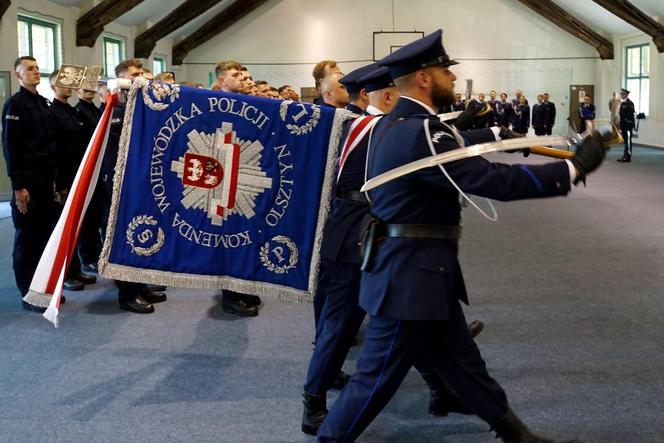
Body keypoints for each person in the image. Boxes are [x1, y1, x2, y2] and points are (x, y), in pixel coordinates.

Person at [317, 29, 606, 443]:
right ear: (423, 78)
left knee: (464, 367)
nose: (453, 80)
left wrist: (493, 136)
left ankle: (521, 438)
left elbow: (446, 145)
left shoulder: (394, 123)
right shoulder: (420, 132)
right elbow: (491, 180)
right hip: (407, 278)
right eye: (445, 72)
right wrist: (573, 170)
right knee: (373, 379)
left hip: (419, 270)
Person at [302, 63, 484, 437]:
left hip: (375, 236)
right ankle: (313, 403)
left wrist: (468, 123)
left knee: (406, 316)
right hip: (356, 238)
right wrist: (483, 129)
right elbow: (430, 141)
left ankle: (441, 388)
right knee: (339, 327)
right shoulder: (376, 127)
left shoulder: (366, 125)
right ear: (386, 96)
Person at [101, 59, 167, 314]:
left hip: (140, 184)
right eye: (135, 74)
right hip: (120, 185)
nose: (141, 78)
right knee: (123, 237)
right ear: (122, 79)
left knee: (141, 230)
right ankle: (127, 293)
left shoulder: (142, 108)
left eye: (142, 73)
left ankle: (139, 285)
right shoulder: (115, 109)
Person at [2, 56, 59, 312]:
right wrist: (18, 187)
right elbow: (11, 148)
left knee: (44, 235)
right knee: (27, 237)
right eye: (29, 69)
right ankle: (28, 293)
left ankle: (42, 287)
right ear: (17, 75)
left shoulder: (43, 103)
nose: (36, 72)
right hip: (28, 181)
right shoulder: (15, 105)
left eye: (37, 68)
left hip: (46, 179)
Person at [213, 60, 262, 316]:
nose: (242, 79)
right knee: (228, 240)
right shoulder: (210, 104)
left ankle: (241, 286)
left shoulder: (246, 103)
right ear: (222, 80)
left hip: (241, 178)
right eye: (235, 75)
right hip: (221, 183)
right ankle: (230, 295)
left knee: (243, 237)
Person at [48, 71, 97, 291]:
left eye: (70, 84)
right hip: (64, 178)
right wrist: (59, 183)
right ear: (52, 87)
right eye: (62, 84)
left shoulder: (70, 111)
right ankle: (65, 274)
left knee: (77, 224)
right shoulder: (53, 113)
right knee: (63, 228)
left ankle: (76, 269)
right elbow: (55, 151)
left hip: (78, 174)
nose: (68, 87)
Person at [75, 86, 104, 272]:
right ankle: (87, 256)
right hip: (87, 168)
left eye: (91, 87)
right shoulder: (78, 111)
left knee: (97, 215)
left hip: (99, 169)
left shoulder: (95, 109)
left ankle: (97, 252)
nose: (89, 90)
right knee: (88, 217)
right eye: (84, 88)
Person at [617, 88, 635, 162]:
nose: (621, 95)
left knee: (628, 141)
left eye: (623, 94)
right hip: (623, 125)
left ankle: (627, 157)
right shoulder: (623, 103)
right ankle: (626, 155)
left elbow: (630, 115)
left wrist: (628, 125)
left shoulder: (630, 103)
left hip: (628, 125)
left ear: (627, 95)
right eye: (621, 94)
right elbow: (621, 114)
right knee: (626, 141)